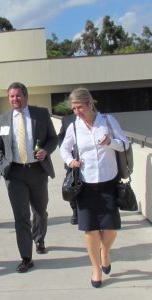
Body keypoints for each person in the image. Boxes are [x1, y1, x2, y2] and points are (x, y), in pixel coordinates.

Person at [60, 87, 129, 288]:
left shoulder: (107, 121)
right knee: (90, 230)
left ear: (90, 104)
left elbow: (125, 143)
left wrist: (111, 142)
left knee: (111, 227)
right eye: (73, 108)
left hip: (108, 181)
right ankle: (96, 268)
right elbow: (64, 148)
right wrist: (70, 160)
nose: (77, 112)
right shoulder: (74, 127)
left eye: (79, 107)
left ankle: (105, 252)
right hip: (85, 183)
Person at [0, 82, 58, 273]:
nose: (15, 99)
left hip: (37, 171)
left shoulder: (41, 114)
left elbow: (53, 139)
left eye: (18, 96)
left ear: (26, 96)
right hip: (14, 174)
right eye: (11, 96)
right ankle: (26, 257)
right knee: (21, 217)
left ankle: (39, 238)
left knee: (40, 211)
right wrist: (2, 165)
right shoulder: (2, 120)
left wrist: (45, 151)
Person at [57, 110, 78, 225]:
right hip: (72, 162)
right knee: (71, 186)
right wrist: (68, 154)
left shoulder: (97, 118)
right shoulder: (67, 119)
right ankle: (75, 211)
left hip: (91, 163)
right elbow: (60, 138)